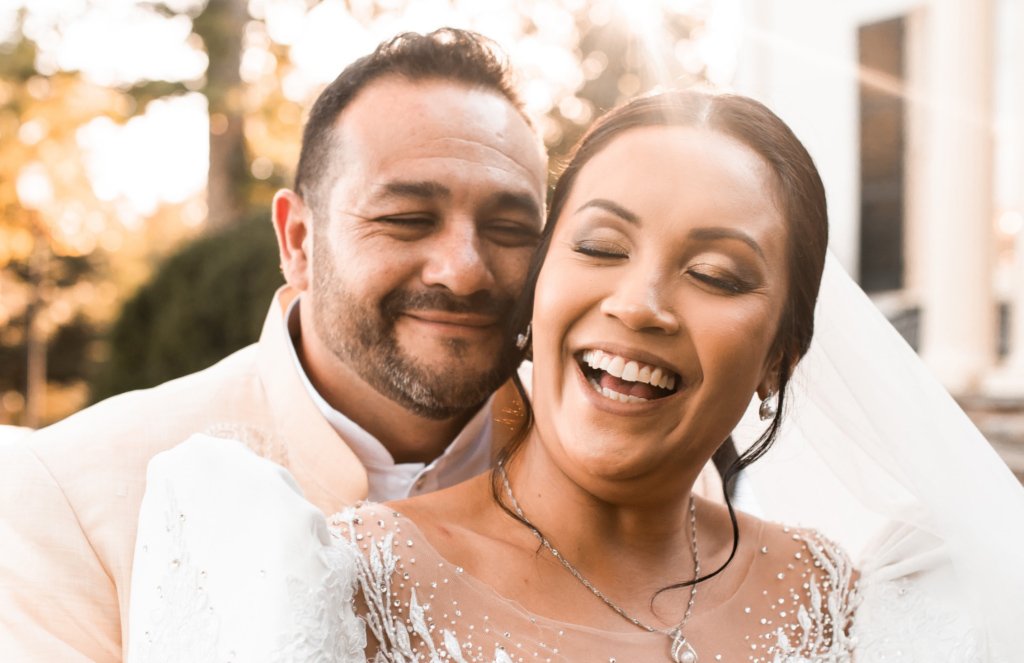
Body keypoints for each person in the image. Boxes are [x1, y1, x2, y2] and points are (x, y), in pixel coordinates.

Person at [132, 89, 862, 662]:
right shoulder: (346, 585)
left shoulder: (835, 597)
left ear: (781, 356)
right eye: (601, 246)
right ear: (535, 292)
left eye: (715, 274)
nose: (639, 305)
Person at [0, 28, 548, 662]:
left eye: (511, 228)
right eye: (406, 220)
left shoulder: (623, 472)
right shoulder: (67, 492)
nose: (465, 270)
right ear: (298, 241)